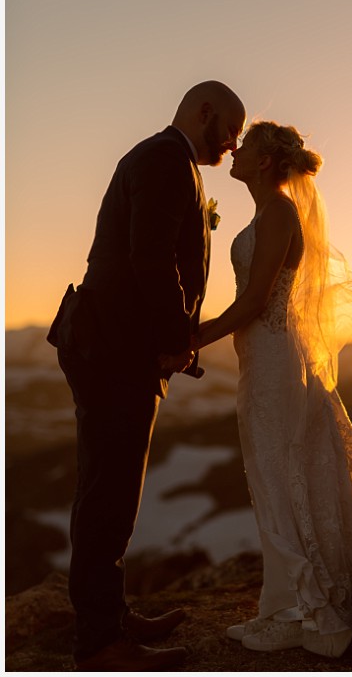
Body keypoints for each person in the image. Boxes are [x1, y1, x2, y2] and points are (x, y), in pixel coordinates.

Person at [47, 81, 246, 670]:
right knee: (109, 494)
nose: (233, 145)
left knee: (109, 489)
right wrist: (175, 342)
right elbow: (151, 259)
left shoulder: (169, 158)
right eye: (230, 130)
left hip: (110, 344)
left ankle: (109, 613)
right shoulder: (164, 158)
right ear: (203, 111)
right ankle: (101, 641)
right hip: (114, 349)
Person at [193, 121, 352, 657]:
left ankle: (311, 612)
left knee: (280, 470)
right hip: (260, 358)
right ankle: (286, 604)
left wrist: (191, 340)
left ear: (264, 163)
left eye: (247, 147)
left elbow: (257, 301)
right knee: (271, 471)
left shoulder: (281, 212)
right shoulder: (268, 213)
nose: (234, 152)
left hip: (275, 358)